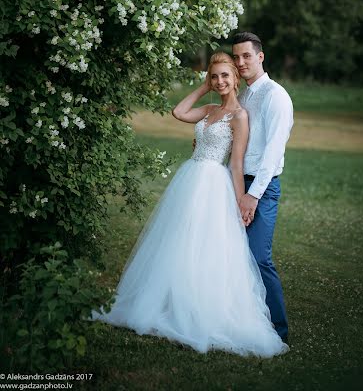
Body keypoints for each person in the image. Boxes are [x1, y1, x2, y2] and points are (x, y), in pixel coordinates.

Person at [91, 52, 288, 358]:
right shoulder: (209, 108)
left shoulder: (239, 116)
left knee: (205, 247)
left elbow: (236, 165)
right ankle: (172, 300)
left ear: (236, 78)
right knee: (178, 242)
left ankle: (201, 308)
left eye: (225, 75)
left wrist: (240, 203)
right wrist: (203, 87)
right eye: (215, 76)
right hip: (190, 178)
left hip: (213, 184)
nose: (220, 81)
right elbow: (178, 111)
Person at [232, 32, 294, 344]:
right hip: (233, 182)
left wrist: (252, 196)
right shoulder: (242, 97)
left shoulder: (276, 96)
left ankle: (277, 330)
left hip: (261, 187)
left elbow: (273, 152)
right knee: (230, 254)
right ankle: (240, 318)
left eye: (246, 56)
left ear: (260, 56)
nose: (241, 62)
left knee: (258, 257)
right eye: (237, 57)